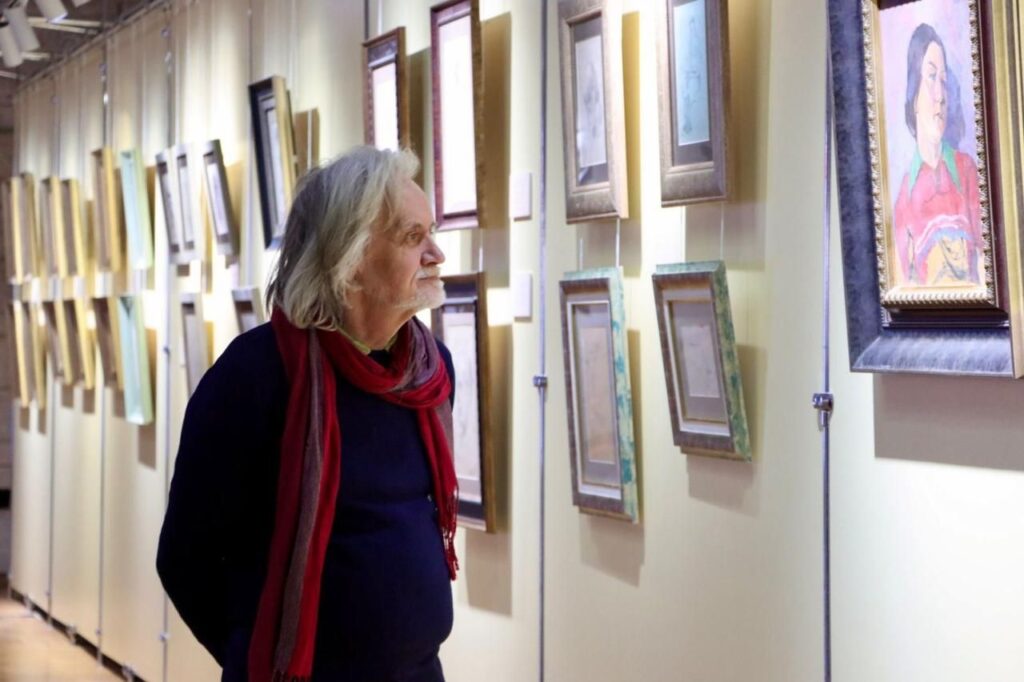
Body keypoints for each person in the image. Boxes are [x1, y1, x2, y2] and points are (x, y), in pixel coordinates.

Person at [157, 146, 459, 682]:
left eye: (430, 233)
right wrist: (258, 656)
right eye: (413, 237)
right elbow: (186, 558)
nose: (435, 253)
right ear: (351, 256)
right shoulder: (256, 375)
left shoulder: (430, 372)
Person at [893, 22, 983, 287]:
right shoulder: (904, 198)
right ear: (913, 94)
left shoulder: (967, 171)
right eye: (932, 77)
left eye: (944, 80)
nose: (940, 95)